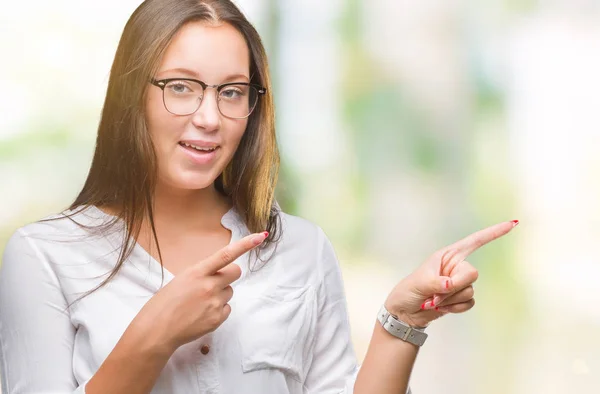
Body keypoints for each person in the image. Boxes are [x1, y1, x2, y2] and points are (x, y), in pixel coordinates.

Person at [0, 1, 518, 393]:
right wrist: (152, 336)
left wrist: (403, 321)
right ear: (131, 92)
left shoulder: (300, 248)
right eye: (181, 86)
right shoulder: (45, 254)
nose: (209, 116)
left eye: (231, 92)